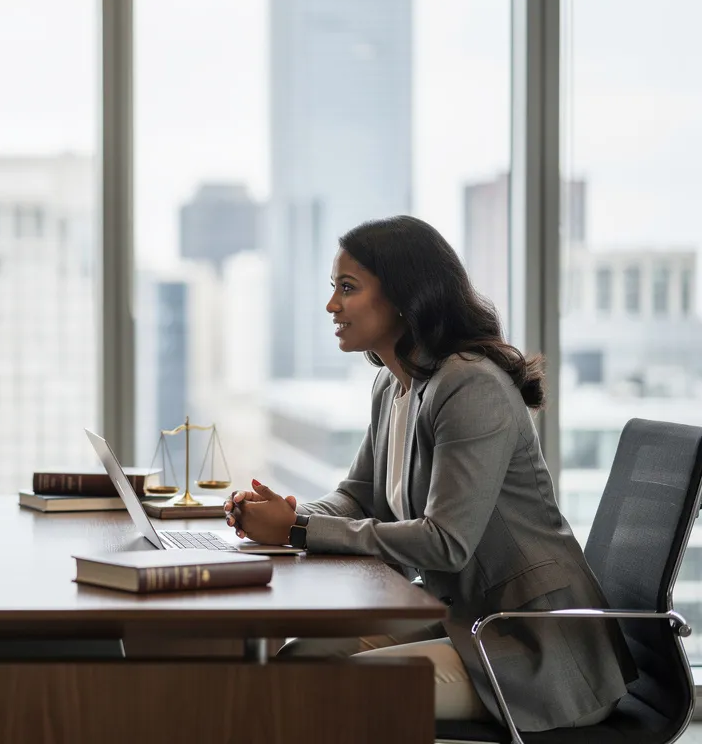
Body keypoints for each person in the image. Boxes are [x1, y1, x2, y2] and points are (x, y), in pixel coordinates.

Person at [224, 215, 635, 732]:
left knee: (316, 695)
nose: (332, 305)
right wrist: (289, 516)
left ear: (402, 296)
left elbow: (447, 542)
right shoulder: (393, 385)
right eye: (334, 288)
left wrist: (298, 530)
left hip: (533, 648)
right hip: (466, 619)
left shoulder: (469, 387)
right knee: (294, 665)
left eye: (347, 289)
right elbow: (358, 496)